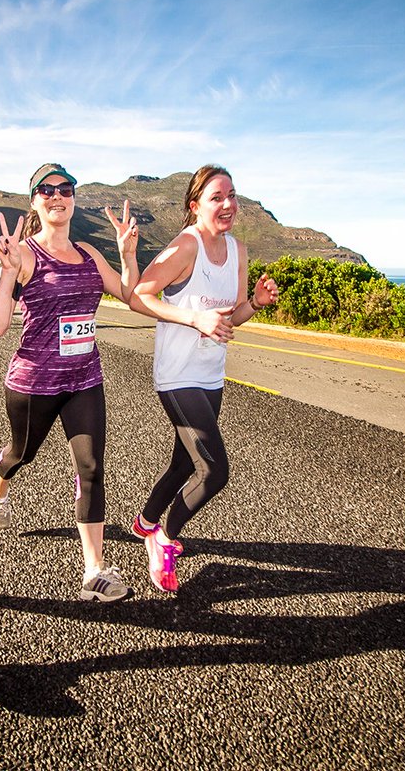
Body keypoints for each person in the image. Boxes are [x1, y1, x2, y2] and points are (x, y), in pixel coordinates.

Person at [0, 162, 140, 602]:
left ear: (73, 198)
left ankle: (94, 570)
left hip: (85, 376)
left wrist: (127, 255)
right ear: (35, 201)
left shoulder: (89, 252)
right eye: (46, 190)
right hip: (34, 382)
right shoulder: (25, 253)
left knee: (90, 468)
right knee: (21, 453)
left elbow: (128, 294)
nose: (57, 196)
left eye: (65, 189)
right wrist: (10, 270)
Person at [128, 165, 279, 593]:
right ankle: (165, 536)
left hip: (212, 375)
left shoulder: (239, 251)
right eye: (217, 197)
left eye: (232, 195)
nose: (228, 204)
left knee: (183, 463)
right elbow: (140, 295)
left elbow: (232, 318)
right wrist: (194, 317)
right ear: (195, 206)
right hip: (177, 375)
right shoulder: (185, 246)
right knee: (214, 471)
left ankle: (145, 520)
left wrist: (255, 302)